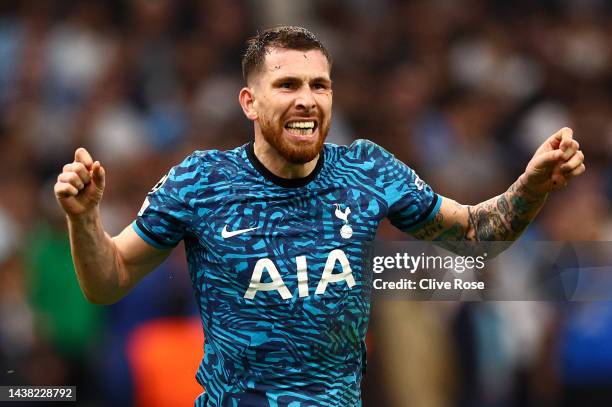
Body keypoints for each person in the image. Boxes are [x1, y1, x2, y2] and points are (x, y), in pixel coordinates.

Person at [54, 26, 585, 406]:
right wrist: (84, 221)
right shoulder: (201, 182)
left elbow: (476, 234)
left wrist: (531, 185)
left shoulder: (367, 171)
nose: (307, 99)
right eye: (287, 86)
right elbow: (109, 282)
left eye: (319, 86)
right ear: (249, 102)